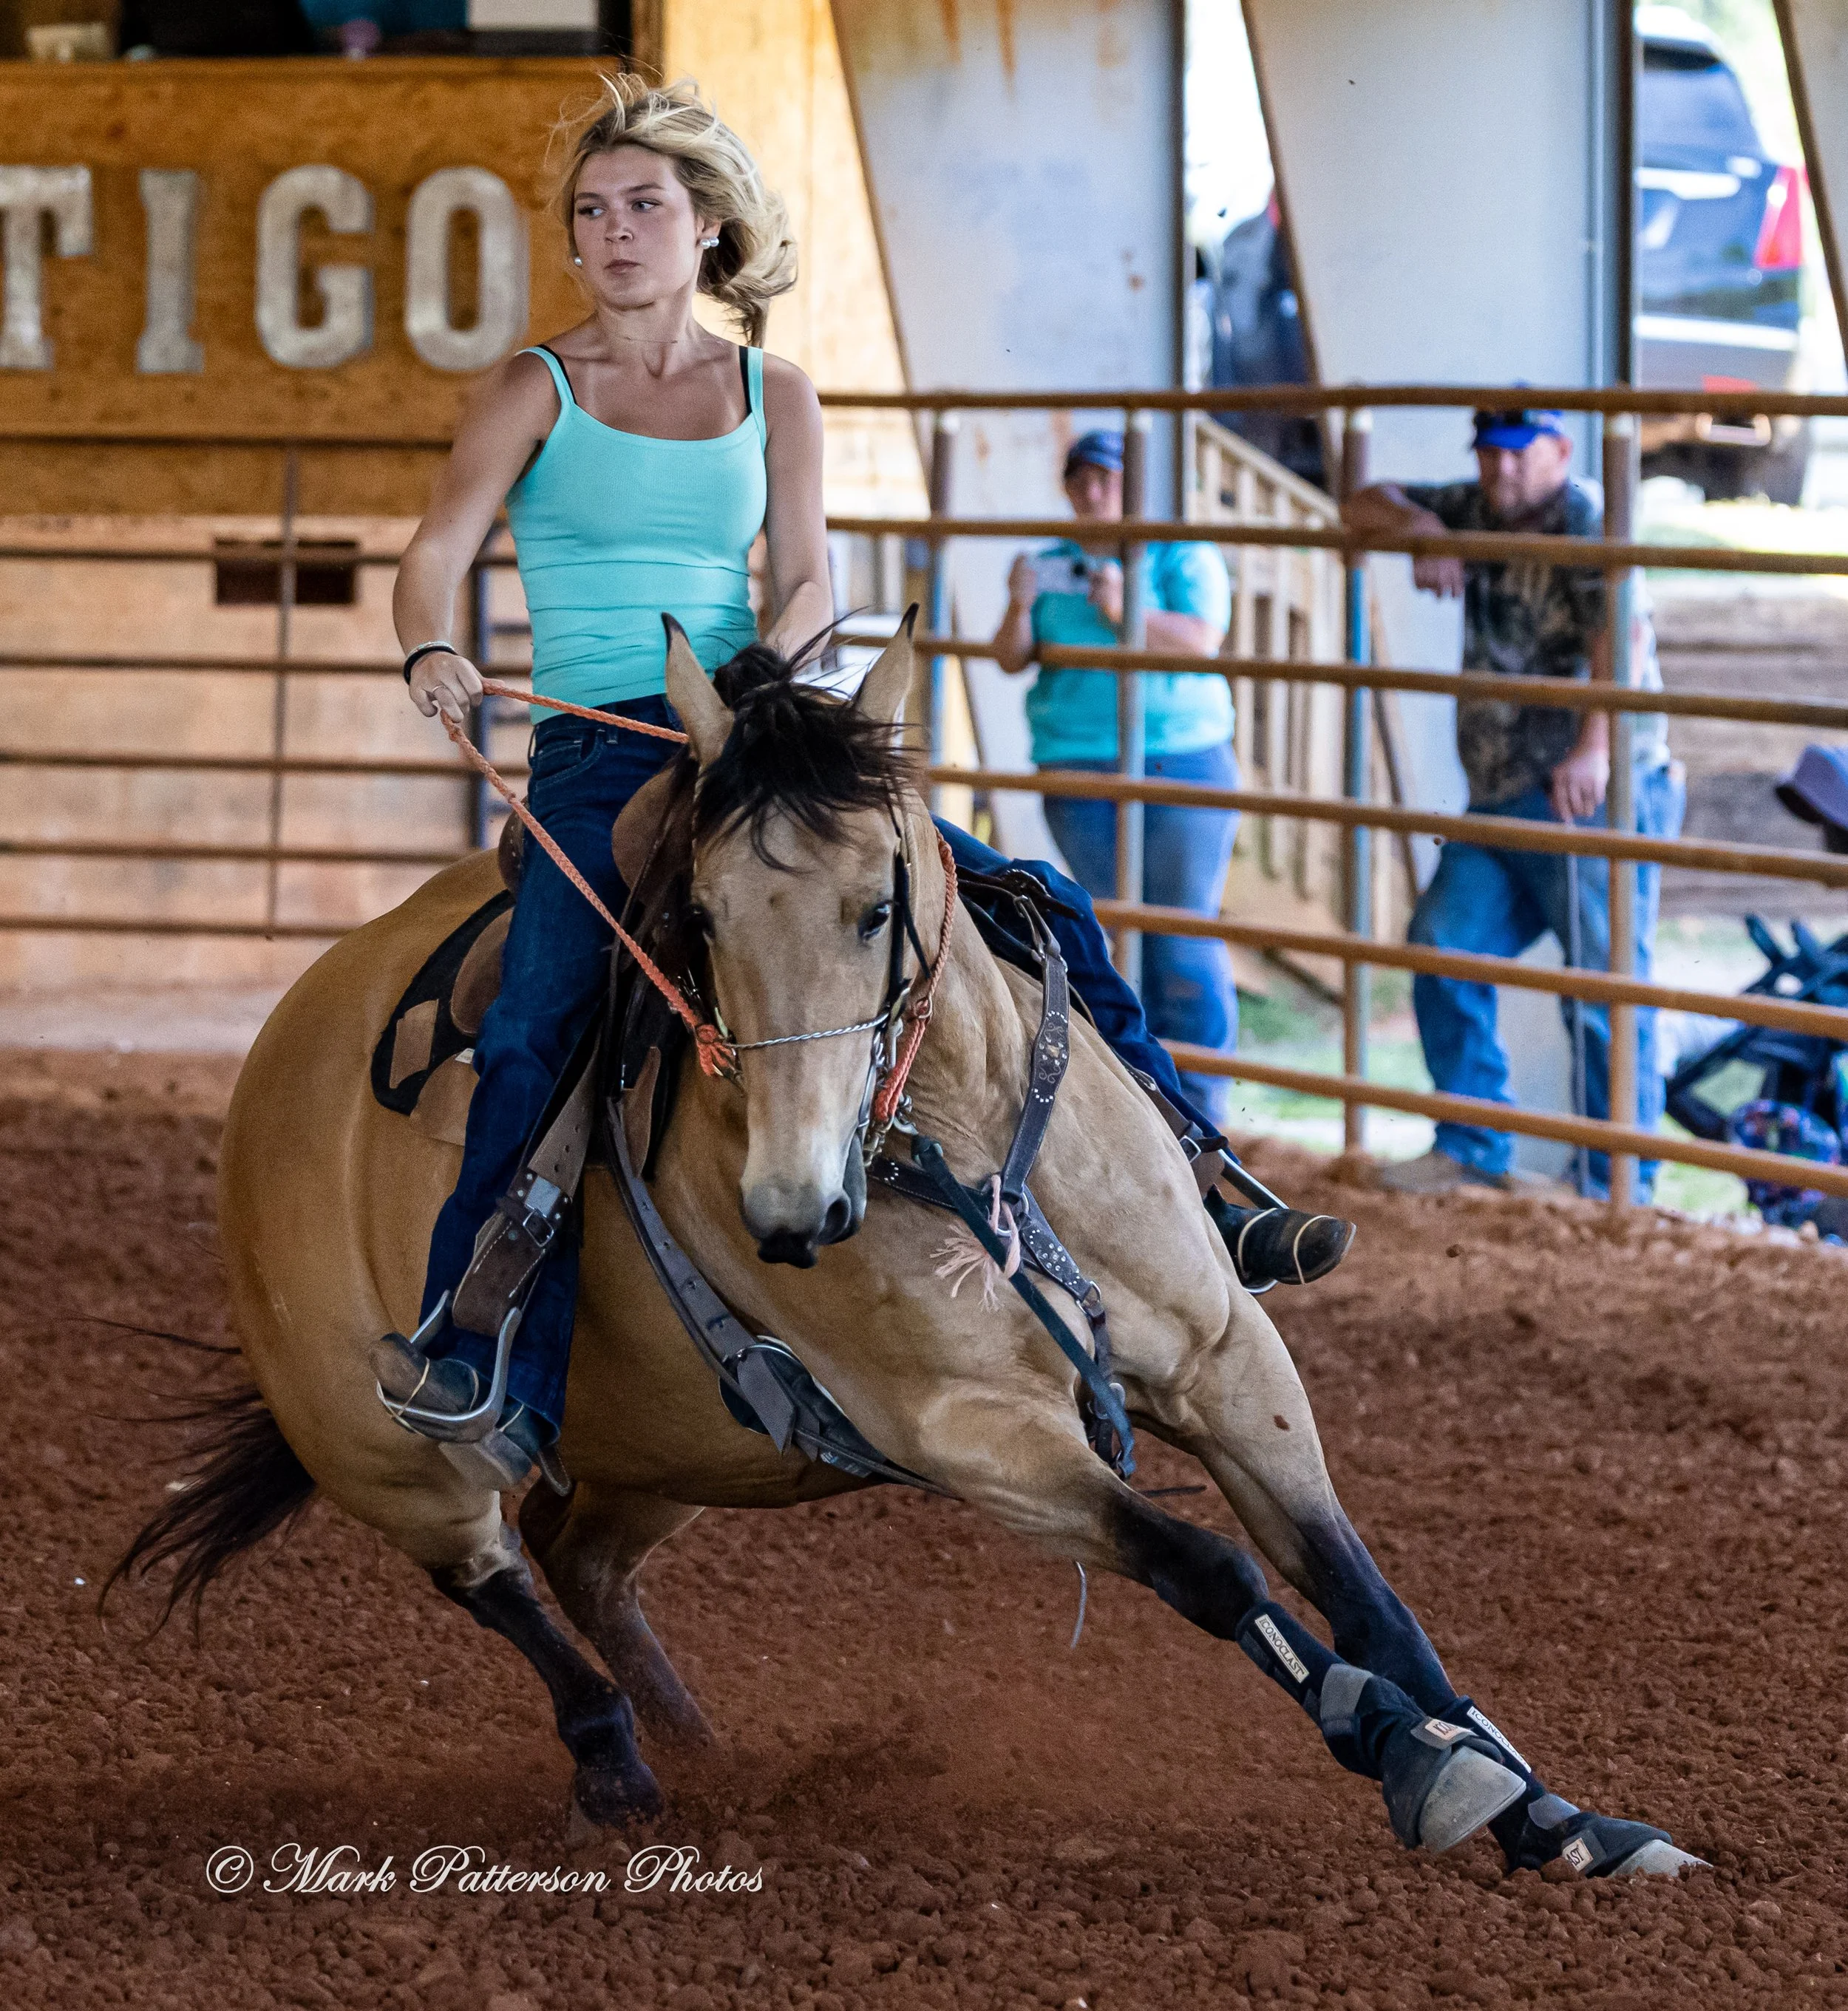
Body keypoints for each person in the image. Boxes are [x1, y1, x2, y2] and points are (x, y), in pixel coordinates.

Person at [373, 77, 1353, 1494]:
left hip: (758, 729)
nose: (615, 231)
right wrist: (433, 648)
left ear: (709, 227)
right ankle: (475, 1337)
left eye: (645, 205)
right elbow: (433, 548)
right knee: (537, 1018)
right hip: (602, 742)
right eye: (592, 212)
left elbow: (808, 569)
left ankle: (1209, 1176)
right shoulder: (539, 384)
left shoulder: (772, 391)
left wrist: (784, 660)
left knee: (1033, 898)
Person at [1345, 405, 1685, 1198]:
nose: (1501, 471)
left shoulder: (1586, 523)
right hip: (1501, 795)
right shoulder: (1473, 509)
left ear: (1561, 452)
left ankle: (1616, 1183)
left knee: (1604, 981)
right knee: (1442, 942)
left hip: (1586, 794)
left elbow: (1621, 640)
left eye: (1519, 455)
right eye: (1489, 455)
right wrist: (1423, 526)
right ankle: (1472, 1144)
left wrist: (1595, 747)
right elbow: (1360, 501)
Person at [991, 431, 1242, 1130]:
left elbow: (1201, 641)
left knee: (1181, 932)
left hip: (1180, 756)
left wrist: (1126, 607)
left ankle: (1204, 1108)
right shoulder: (1047, 564)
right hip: (1078, 760)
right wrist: (1017, 602)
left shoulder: (1180, 551)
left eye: (1107, 478)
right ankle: (1140, 1102)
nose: (1094, 492)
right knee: (1111, 931)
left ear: (1134, 485)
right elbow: (1010, 654)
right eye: (1082, 480)